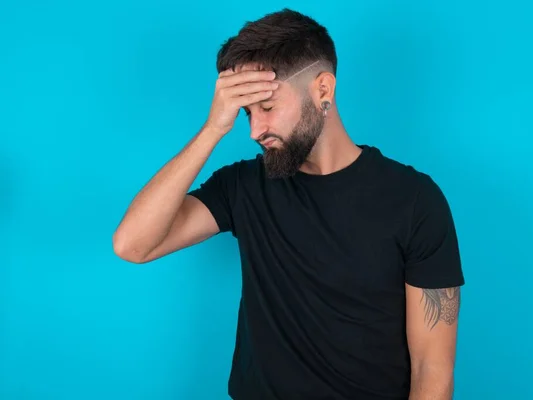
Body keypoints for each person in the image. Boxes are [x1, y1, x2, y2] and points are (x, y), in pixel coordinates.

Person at [113, 8, 465, 400]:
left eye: (266, 107)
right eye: (245, 113)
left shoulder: (415, 200)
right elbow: (133, 245)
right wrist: (213, 128)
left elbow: (431, 367)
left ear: (323, 90)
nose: (254, 130)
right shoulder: (243, 185)